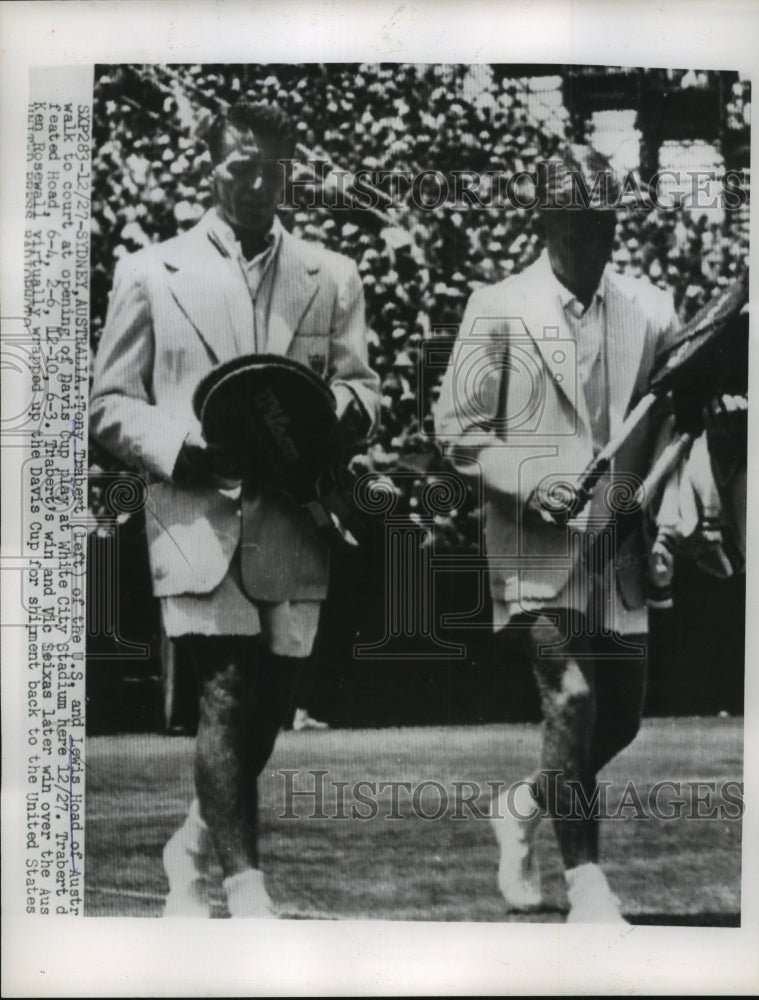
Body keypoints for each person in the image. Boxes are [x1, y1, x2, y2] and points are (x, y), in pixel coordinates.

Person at [90, 99, 379, 917]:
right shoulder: (150, 270)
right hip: (195, 515)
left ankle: (188, 842)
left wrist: (338, 422)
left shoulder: (333, 274)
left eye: (271, 169)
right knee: (222, 690)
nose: (255, 183)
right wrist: (186, 448)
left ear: (291, 172)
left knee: (272, 700)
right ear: (207, 167)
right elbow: (108, 402)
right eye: (238, 167)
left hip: (296, 512)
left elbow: (362, 385)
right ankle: (246, 889)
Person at [433, 147, 681, 923]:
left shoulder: (653, 308)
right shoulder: (494, 304)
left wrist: (663, 520)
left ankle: (521, 804)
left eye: (602, 222)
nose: (590, 237)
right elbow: (457, 431)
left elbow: (669, 429)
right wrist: (530, 479)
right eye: (574, 223)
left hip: (620, 546)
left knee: (623, 719)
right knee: (571, 700)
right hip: (531, 547)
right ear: (544, 221)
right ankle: (587, 885)